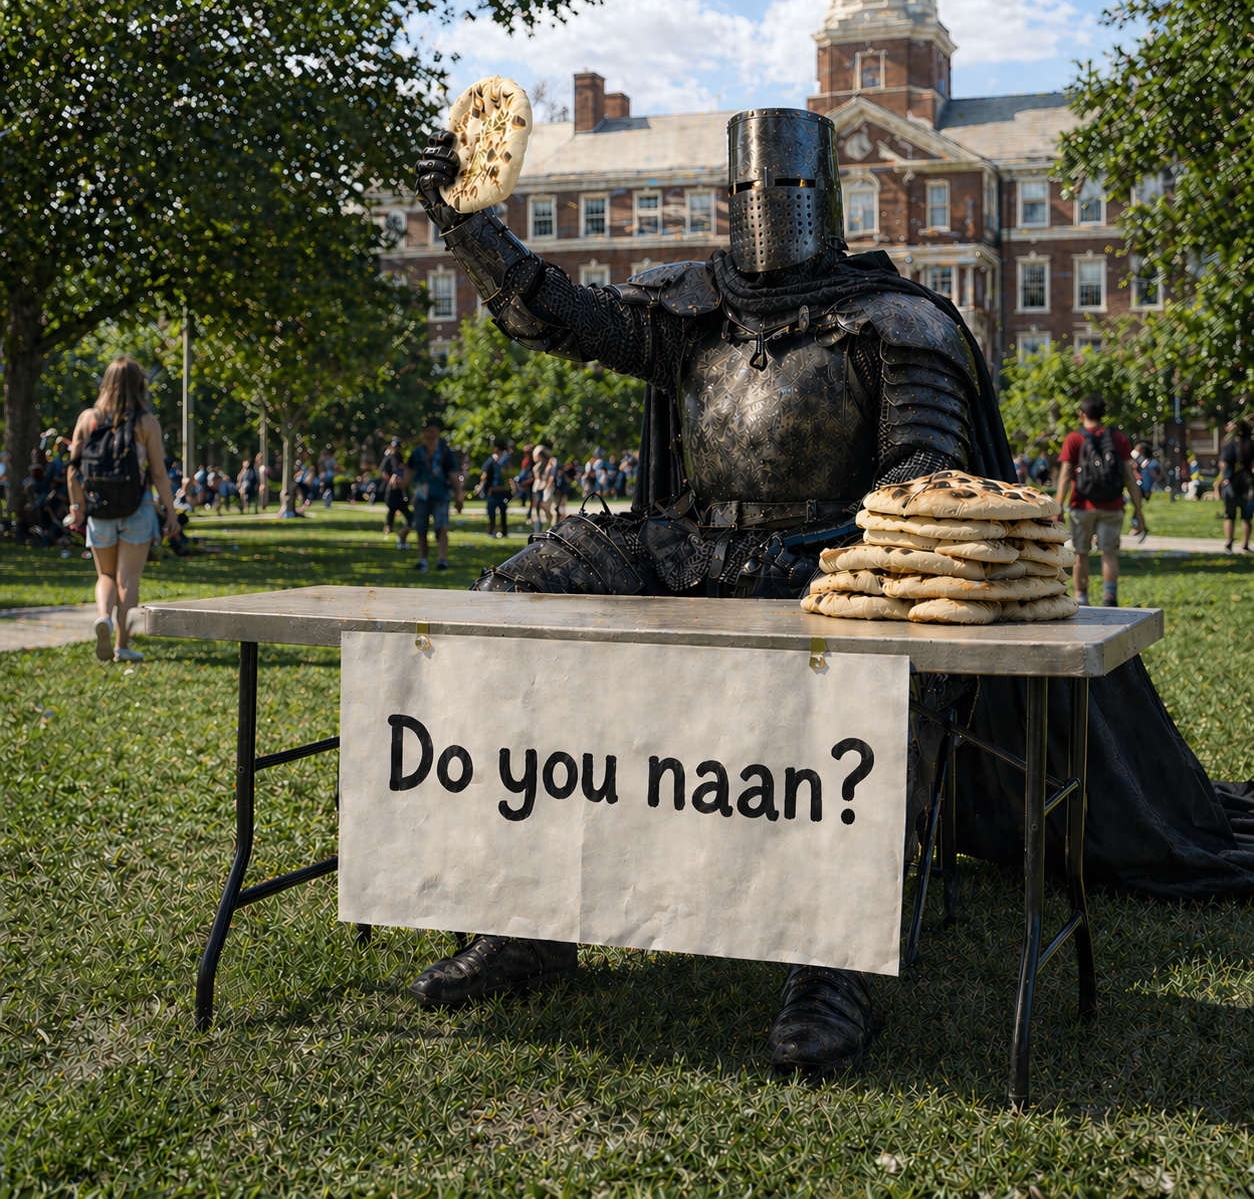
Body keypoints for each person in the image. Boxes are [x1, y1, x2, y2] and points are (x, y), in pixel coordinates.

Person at [409, 108, 1254, 1081]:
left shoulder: (897, 324)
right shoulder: (693, 312)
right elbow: (557, 309)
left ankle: (831, 960)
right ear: (730, 199)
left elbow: (921, 490)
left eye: (791, 191)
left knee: (875, 668)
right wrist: (467, 221)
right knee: (514, 597)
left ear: (828, 199)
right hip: (690, 552)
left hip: (834, 564)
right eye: (755, 194)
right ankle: (523, 917)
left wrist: (856, 566)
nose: (771, 211)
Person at [65, 356, 180, 663]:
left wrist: (77, 508)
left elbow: (72, 470)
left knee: (105, 576)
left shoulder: (87, 418)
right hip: (137, 509)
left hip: (99, 509)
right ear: (139, 386)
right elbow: (157, 472)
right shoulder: (145, 422)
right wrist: (171, 512)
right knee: (128, 581)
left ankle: (103, 616)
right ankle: (122, 645)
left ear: (106, 383)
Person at [1055, 394, 1145, 607]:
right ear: (1103, 415)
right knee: (1110, 553)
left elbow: (1066, 475)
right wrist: (1138, 511)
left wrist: (1058, 505)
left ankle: (1081, 598)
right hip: (1113, 506)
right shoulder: (1119, 438)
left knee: (1081, 555)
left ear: (1081, 414)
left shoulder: (1074, 439)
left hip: (1082, 506)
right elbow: (1129, 478)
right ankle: (1109, 596)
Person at [405, 418, 463, 572]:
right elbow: (408, 475)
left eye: (433, 430)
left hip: (441, 494)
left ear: (438, 432)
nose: (430, 434)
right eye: (427, 431)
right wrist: (401, 486)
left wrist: (459, 494)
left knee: (441, 527)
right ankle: (422, 559)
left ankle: (442, 559)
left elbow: (453, 474)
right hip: (421, 495)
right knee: (421, 528)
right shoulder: (417, 453)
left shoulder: (445, 452)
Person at [1214, 419, 1254, 553]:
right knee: (1246, 518)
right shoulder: (1251, 445)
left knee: (1230, 516)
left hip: (1230, 484)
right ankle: (1245, 545)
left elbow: (1223, 464)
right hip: (1248, 485)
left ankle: (1229, 542)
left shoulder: (1229, 445)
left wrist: (1222, 479)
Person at [378, 437, 413, 549]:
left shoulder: (400, 457)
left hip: (401, 488)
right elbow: (383, 473)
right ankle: (388, 528)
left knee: (405, 510)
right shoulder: (389, 458)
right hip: (392, 489)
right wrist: (392, 480)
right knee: (392, 509)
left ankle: (407, 526)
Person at [480, 438, 512, 537]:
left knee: (503, 511)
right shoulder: (490, 462)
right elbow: (484, 476)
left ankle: (504, 531)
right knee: (492, 511)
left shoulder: (503, 463)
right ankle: (491, 530)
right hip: (492, 490)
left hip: (501, 490)